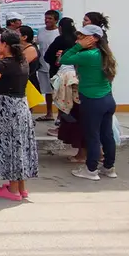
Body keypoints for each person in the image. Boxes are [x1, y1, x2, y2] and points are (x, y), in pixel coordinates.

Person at [0, 30, 39, 201]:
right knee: (21, 144)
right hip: (21, 104)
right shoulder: (22, 61)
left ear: (5, 45)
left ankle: (13, 189)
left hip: (5, 107)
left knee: (9, 146)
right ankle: (21, 186)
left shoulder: (3, 64)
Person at [63, 24, 119, 181]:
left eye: (84, 36)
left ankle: (91, 170)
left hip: (92, 100)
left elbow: (64, 59)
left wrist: (77, 47)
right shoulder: (104, 54)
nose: (79, 39)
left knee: (92, 136)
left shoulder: (88, 55)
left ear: (94, 39)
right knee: (106, 135)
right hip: (107, 99)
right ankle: (109, 167)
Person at [45, 18, 83, 158]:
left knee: (65, 103)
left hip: (64, 77)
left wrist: (58, 61)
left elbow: (49, 56)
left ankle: (62, 125)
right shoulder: (79, 41)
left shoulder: (61, 41)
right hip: (77, 80)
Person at [37, 10, 61, 123]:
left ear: (56, 20)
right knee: (47, 91)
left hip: (56, 66)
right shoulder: (41, 31)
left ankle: (61, 116)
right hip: (42, 65)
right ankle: (49, 113)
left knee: (59, 90)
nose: (47, 20)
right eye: (46, 18)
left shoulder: (58, 33)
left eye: (50, 18)